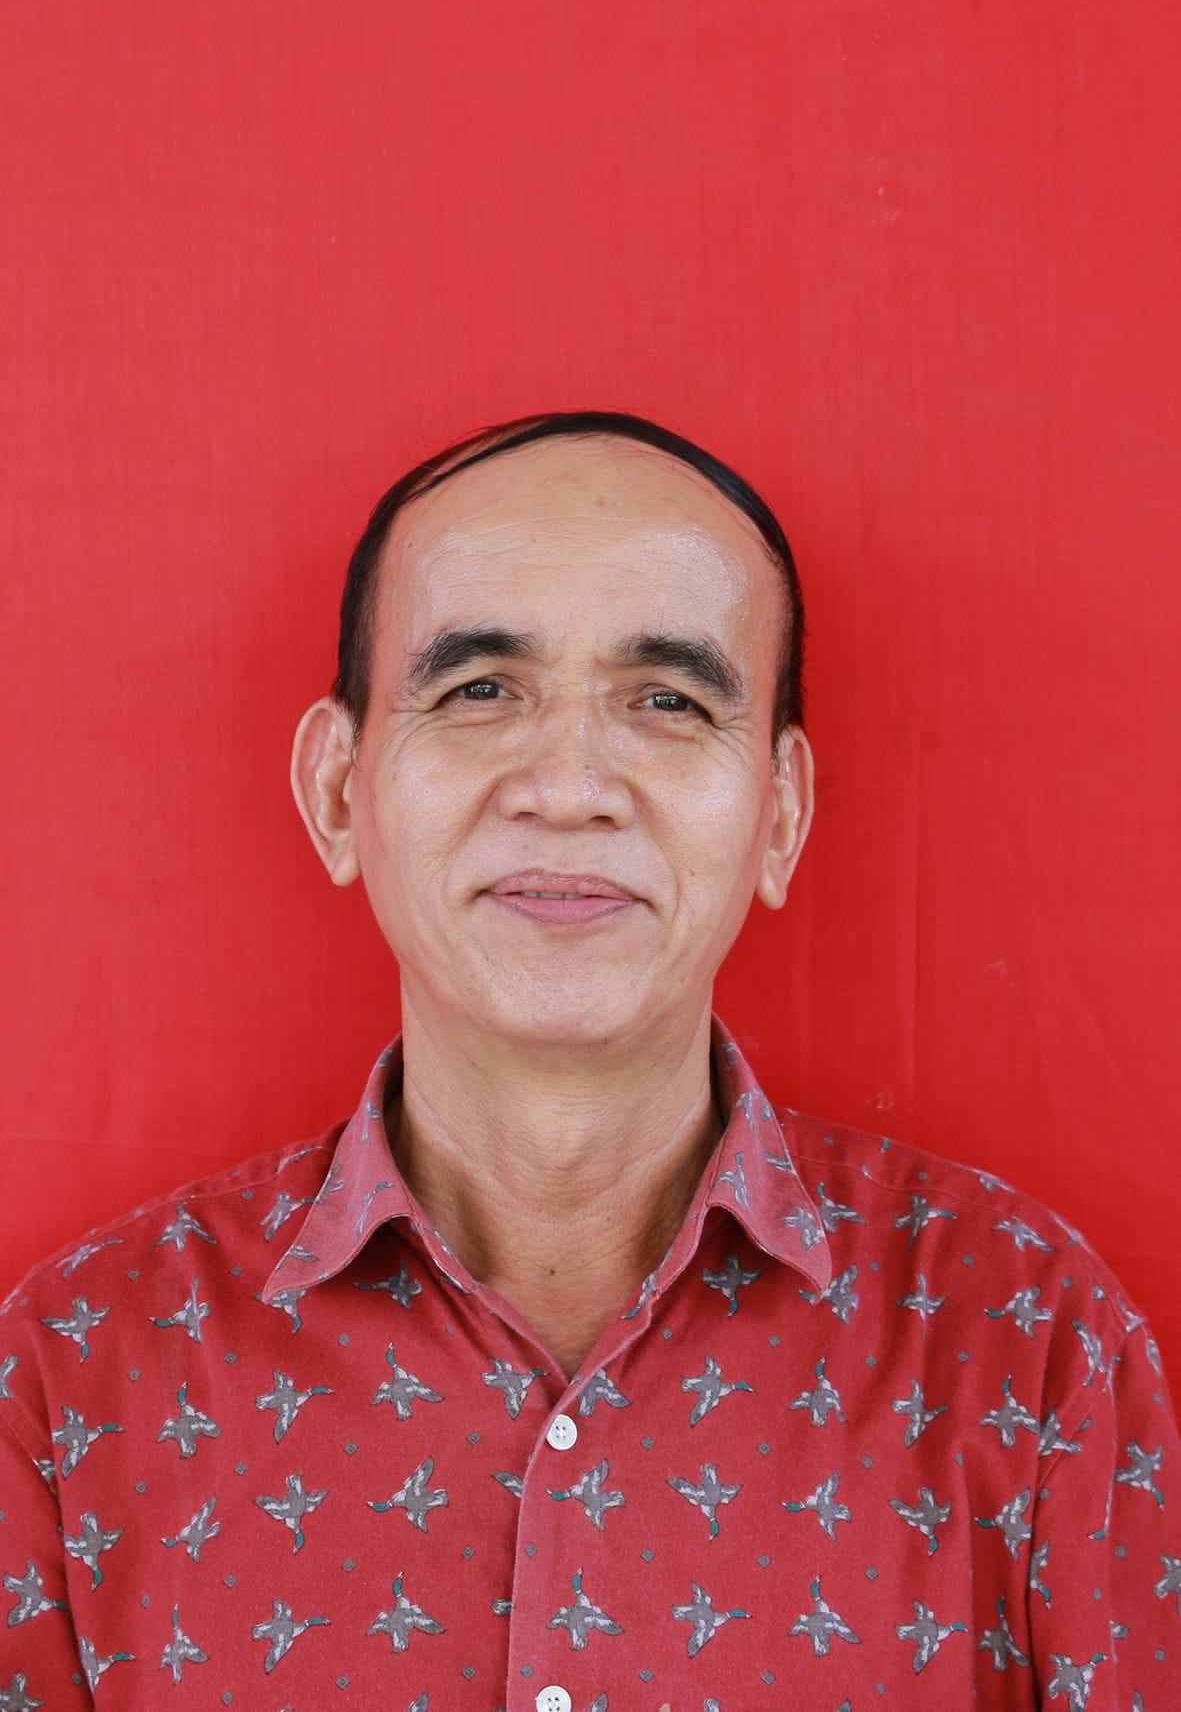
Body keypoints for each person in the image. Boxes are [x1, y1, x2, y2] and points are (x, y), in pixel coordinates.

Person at [1, 410, 1176, 1711]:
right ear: (338, 791)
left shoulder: (1023, 1345)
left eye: (668, 701)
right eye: (479, 690)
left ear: (779, 816)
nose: (566, 788)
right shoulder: (73, 1384)